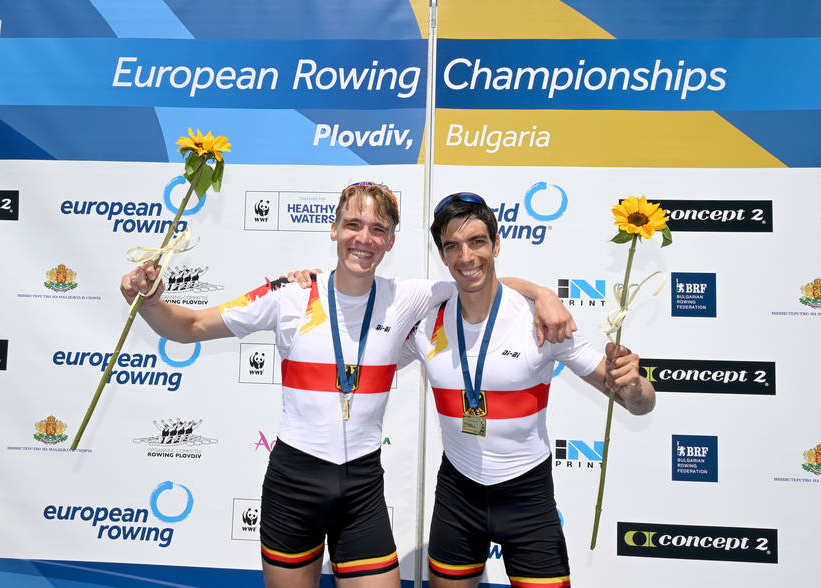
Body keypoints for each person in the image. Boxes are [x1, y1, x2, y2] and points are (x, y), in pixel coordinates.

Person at [120, 182, 575, 588]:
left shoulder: (406, 297)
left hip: (361, 490)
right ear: (334, 229)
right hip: (294, 484)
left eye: (378, 229)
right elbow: (190, 326)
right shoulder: (289, 294)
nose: (364, 238)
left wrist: (542, 294)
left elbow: (478, 279)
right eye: (353, 224)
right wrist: (151, 301)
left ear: (390, 242)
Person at [401, 192, 655, 588]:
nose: (467, 256)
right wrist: (309, 284)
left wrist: (634, 384)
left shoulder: (542, 322)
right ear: (442, 254)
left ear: (497, 244)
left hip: (527, 495)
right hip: (457, 492)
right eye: (453, 246)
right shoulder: (426, 319)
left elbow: (639, 405)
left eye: (478, 242)